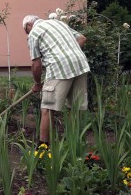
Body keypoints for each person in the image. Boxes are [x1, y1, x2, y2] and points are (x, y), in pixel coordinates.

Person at [22, 15, 90, 146]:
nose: (27, 33)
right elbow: (82, 38)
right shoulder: (58, 23)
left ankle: (43, 148)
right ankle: (73, 143)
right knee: (75, 108)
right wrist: (67, 53)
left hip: (59, 68)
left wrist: (37, 84)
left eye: (26, 30)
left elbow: (36, 64)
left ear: (29, 25)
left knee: (47, 108)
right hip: (80, 65)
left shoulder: (34, 33)